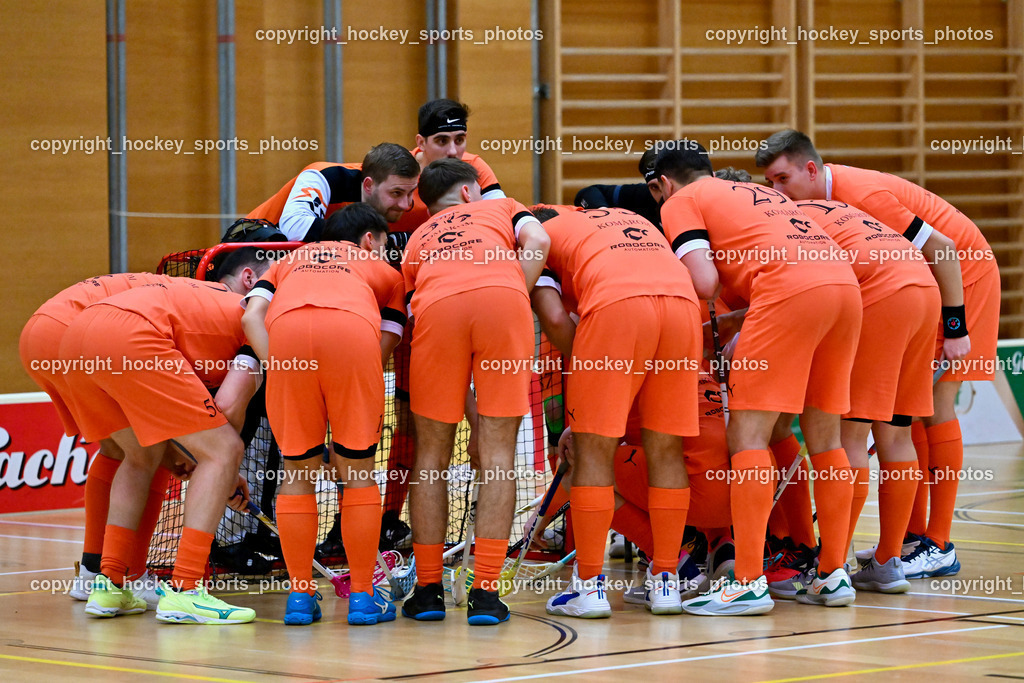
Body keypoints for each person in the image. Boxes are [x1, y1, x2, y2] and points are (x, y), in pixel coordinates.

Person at [756, 130, 995, 577]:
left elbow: (941, 248)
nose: (776, 193)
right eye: (770, 183)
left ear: (811, 169)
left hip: (960, 276)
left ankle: (938, 543)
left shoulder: (860, 193)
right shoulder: (820, 204)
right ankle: (908, 539)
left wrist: (957, 326)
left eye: (781, 179)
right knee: (906, 414)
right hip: (916, 285)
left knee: (935, 407)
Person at [656, 143, 861, 614]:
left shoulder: (680, 201)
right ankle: (832, 574)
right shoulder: (758, 197)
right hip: (843, 290)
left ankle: (746, 581)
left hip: (789, 293)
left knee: (748, 436)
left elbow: (703, 282)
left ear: (665, 183)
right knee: (826, 439)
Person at [58, 248, 270, 624]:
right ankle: (187, 589)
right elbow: (227, 408)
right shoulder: (266, 325)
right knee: (224, 450)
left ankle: (110, 584)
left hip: (77, 338)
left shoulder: (223, 298)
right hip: (130, 335)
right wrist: (222, 469)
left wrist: (215, 468)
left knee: (139, 454)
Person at [526, 206, 700, 618]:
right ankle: (667, 583)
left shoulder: (536, 239)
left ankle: (588, 588)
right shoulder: (615, 218)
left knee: (593, 451)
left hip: (619, 309)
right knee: (666, 449)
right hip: (682, 307)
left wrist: (595, 392)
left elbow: (553, 317)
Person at [400, 159, 549, 625]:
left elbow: (409, 307)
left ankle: (427, 590)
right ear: (470, 193)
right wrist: (511, 292)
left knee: (431, 457)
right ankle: (485, 592)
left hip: (437, 310)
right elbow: (540, 241)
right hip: (503, 304)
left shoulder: (417, 240)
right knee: (500, 453)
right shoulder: (500, 205)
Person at [241, 204, 406, 626]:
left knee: (297, 473)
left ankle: (299, 598)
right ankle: (365, 599)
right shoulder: (379, 267)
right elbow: (388, 339)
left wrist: (279, 367)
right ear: (370, 239)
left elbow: (250, 316)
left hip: (288, 338)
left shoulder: (286, 261)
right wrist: (358, 376)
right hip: (352, 337)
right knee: (359, 473)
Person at [792, 198, 940, 594]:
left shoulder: (783, 220)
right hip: (926, 290)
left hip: (882, 296)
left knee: (848, 436)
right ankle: (890, 560)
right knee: (897, 433)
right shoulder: (838, 207)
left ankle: (833, 567)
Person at [19, 272, 189, 606]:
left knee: (116, 448)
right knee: (147, 451)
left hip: (37, 334)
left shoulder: (172, 288)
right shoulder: (211, 305)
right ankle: (135, 576)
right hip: (71, 335)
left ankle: (91, 572)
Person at [246, 142, 420, 241]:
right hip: (245, 249)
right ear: (368, 185)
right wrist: (375, 240)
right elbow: (295, 229)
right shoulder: (322, 176)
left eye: (411, 192)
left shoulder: (392, 198)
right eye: (396, 193)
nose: (406, 205)